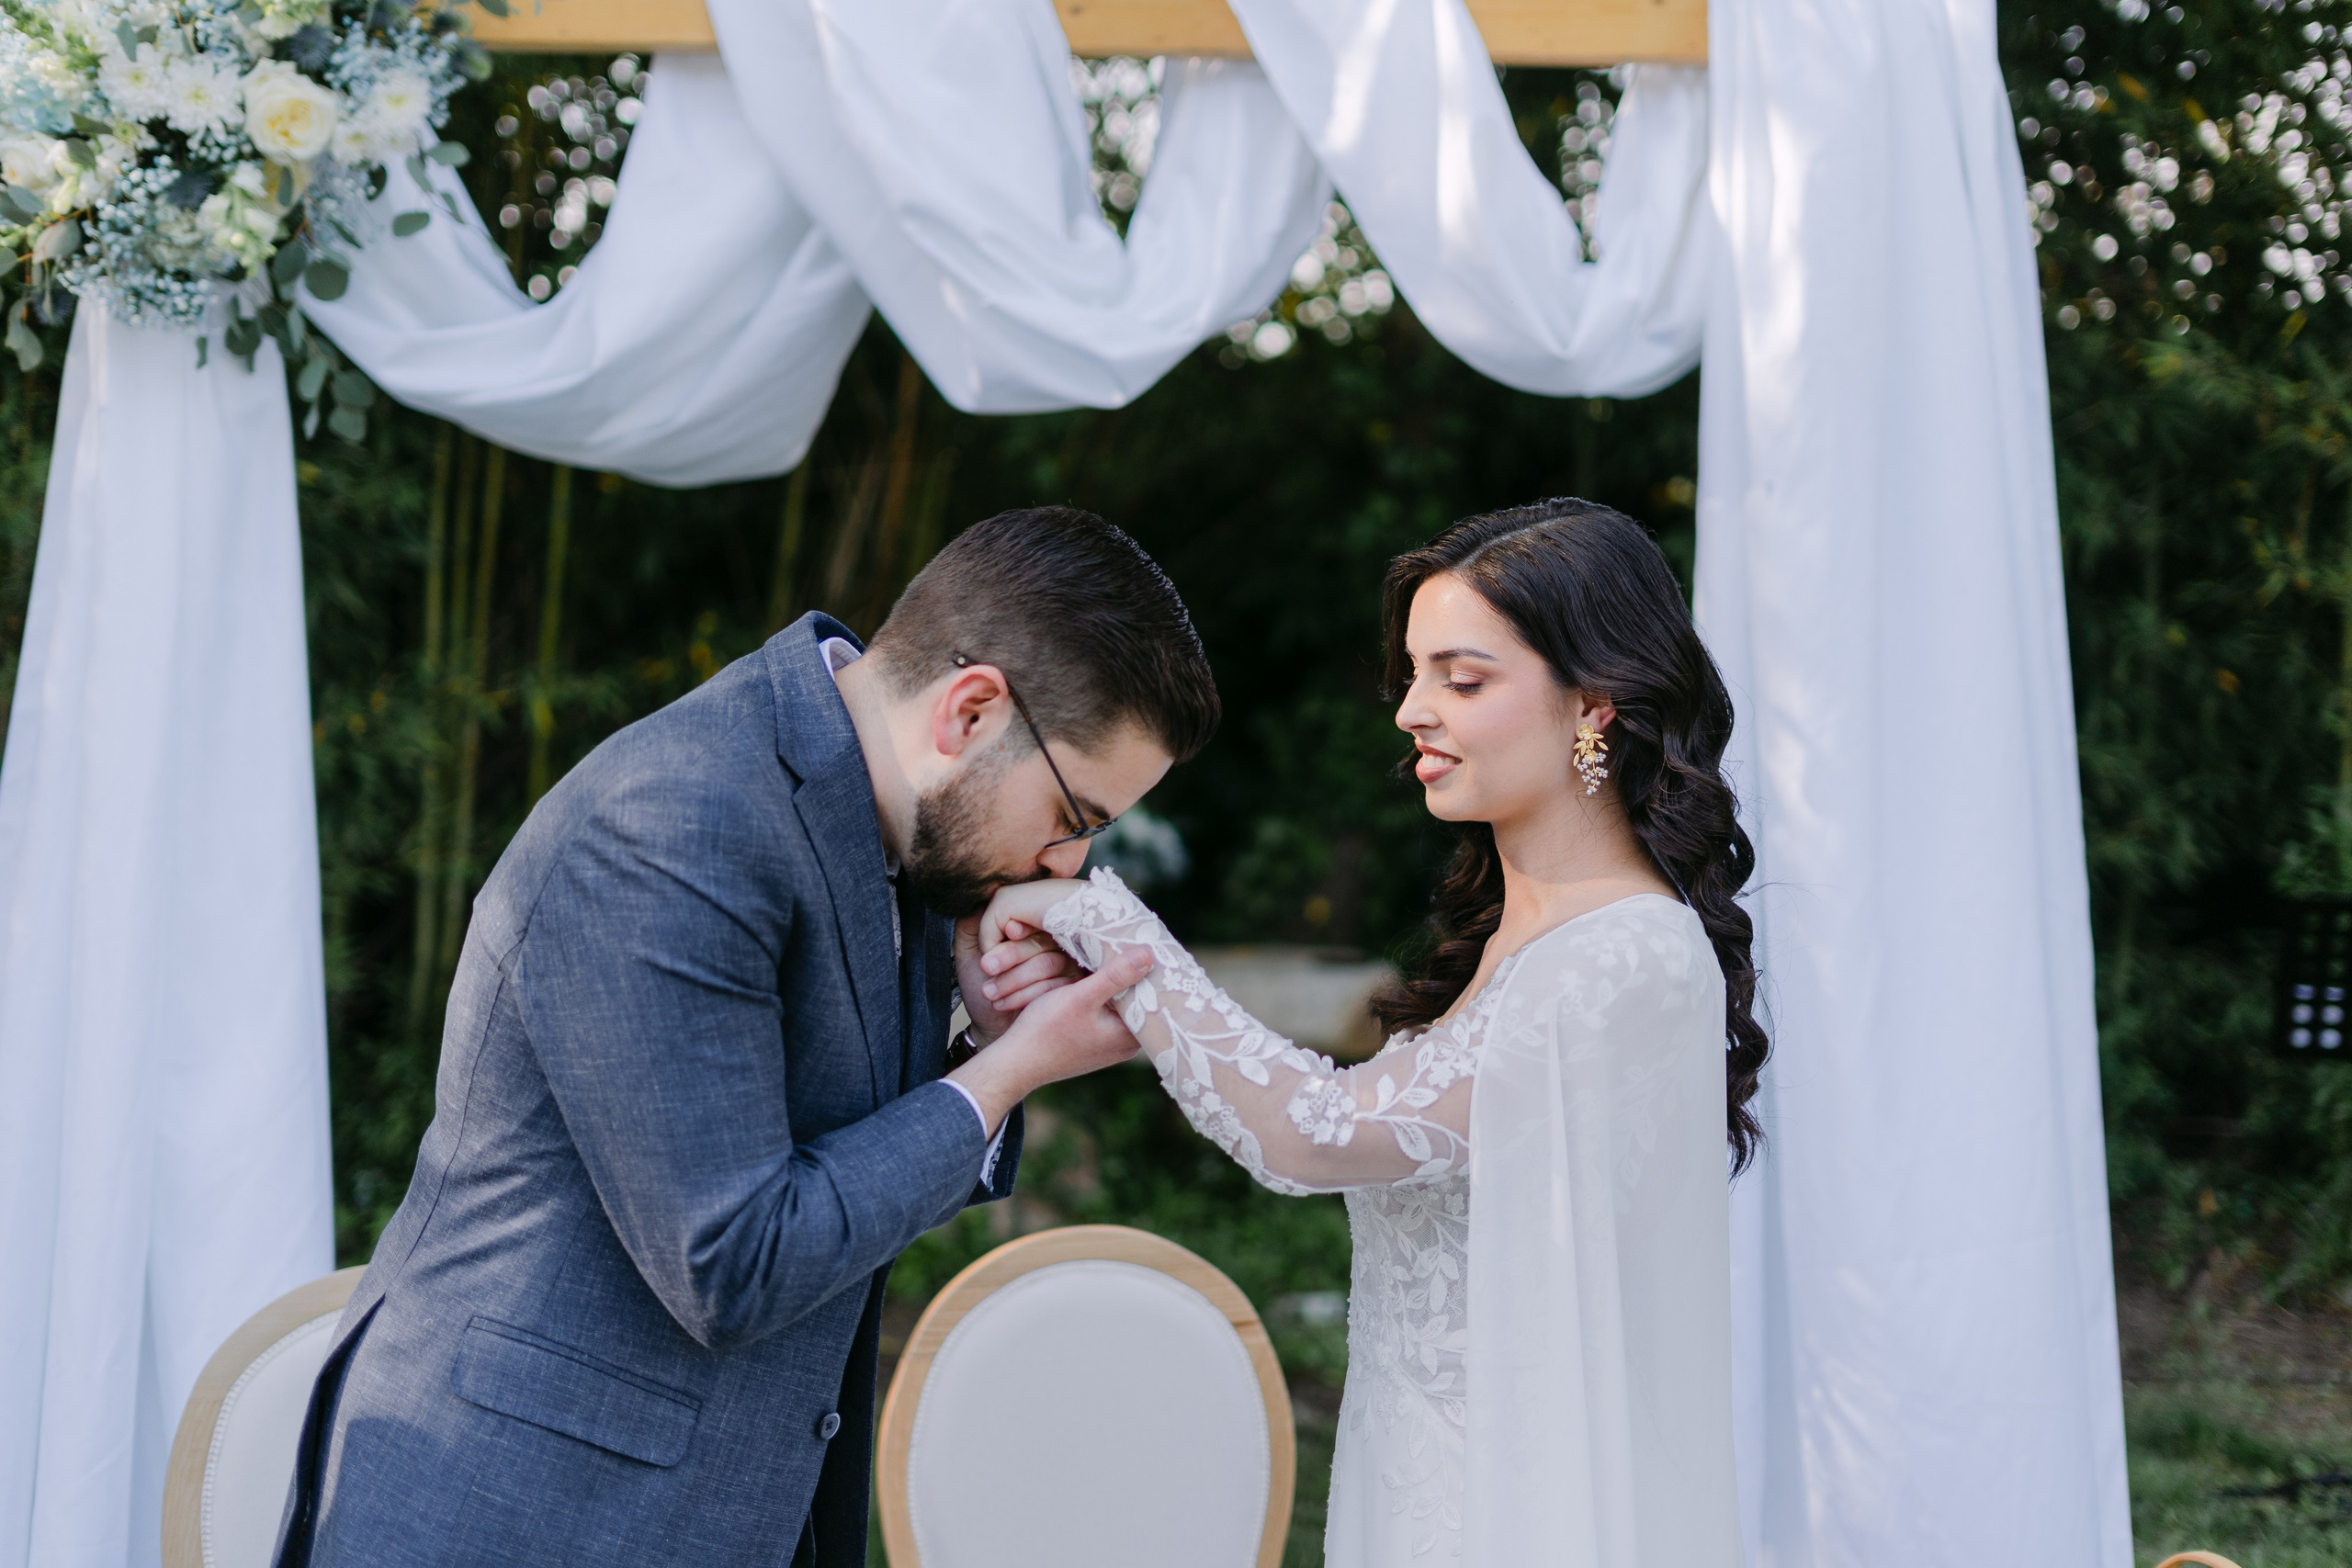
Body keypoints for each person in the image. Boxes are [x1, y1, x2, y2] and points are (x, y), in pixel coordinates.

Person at [271, 506, 1204, 1568]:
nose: (1068, 864)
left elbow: (827, 1166)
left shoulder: (884, 816)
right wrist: (1005, 1076)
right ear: (973, 710)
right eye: (1073, 814)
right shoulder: (672, 823)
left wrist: (977, 1047)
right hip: (525, 1513)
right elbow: (732, 1262)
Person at [979, 499, 1765, 1565]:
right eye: (1414, 674)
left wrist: (1101, 922)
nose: (1411, 711)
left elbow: (1310, 1132)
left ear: (1594, 704)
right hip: (1409, 1493)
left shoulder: (1624, 956)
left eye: (1463, 678)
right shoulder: (1515, 941)